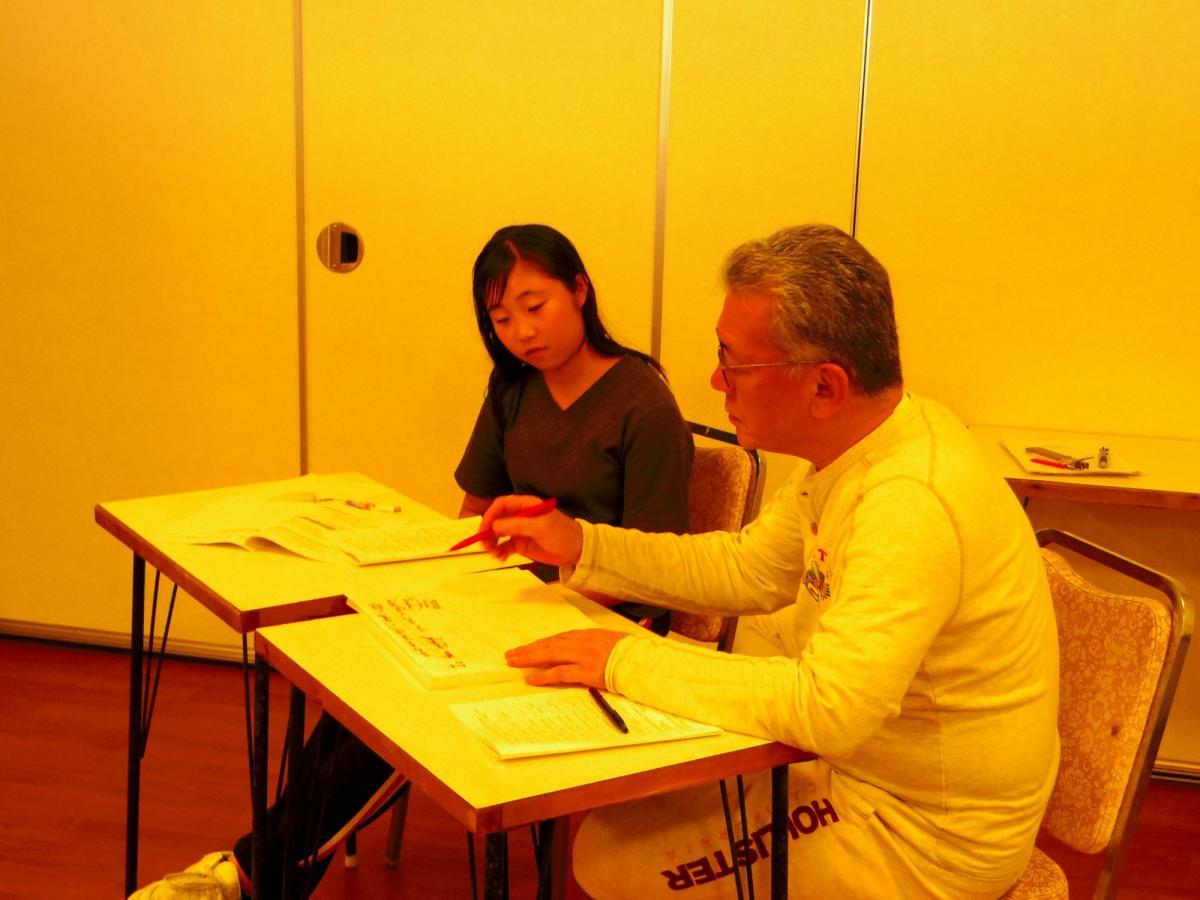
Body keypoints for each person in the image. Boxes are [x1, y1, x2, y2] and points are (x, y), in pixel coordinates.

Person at [486, 224, 1060, 899]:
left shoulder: (910, 500)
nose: (716, 380)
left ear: (825, 386)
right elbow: (748, 568)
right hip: (857, 771)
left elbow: (828, 707)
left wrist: (623, 659)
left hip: (922, 837)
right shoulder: (861, 446)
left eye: (734, 362)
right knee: (620, 822)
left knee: (614, 860)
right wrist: (583, 543)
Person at [128, 224, 693, 900]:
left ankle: (248, 878)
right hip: (510, 603)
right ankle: (257, 873)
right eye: (501, 318)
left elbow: (657, 566)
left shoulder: (641, 403)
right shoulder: (514, 388)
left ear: (579, 289)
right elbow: (473, 515)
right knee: (365, 684)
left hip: (604, 622)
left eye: (535, 306)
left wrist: (529, 600)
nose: (522, 332)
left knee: (405, 710)